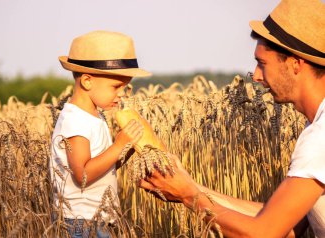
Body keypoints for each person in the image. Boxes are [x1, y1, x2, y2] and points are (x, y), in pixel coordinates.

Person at [139, 0, 325, 237]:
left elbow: (264, 233)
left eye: (262, 63)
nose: (256, 76)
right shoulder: (317, 128)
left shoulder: (320, 137)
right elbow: (285, 224)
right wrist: (191, 187)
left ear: (295, 64)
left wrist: (189, 196)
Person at [50, 30, 151, 237]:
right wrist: (117, 146)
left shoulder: (94, 115)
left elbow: (103, 166)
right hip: (80, 223)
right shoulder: (76, 121)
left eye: (125, 87)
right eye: (116, 86)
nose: (122, 94)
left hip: (96, 219)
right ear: (87, 81)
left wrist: (127, 147)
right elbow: (83, 175)